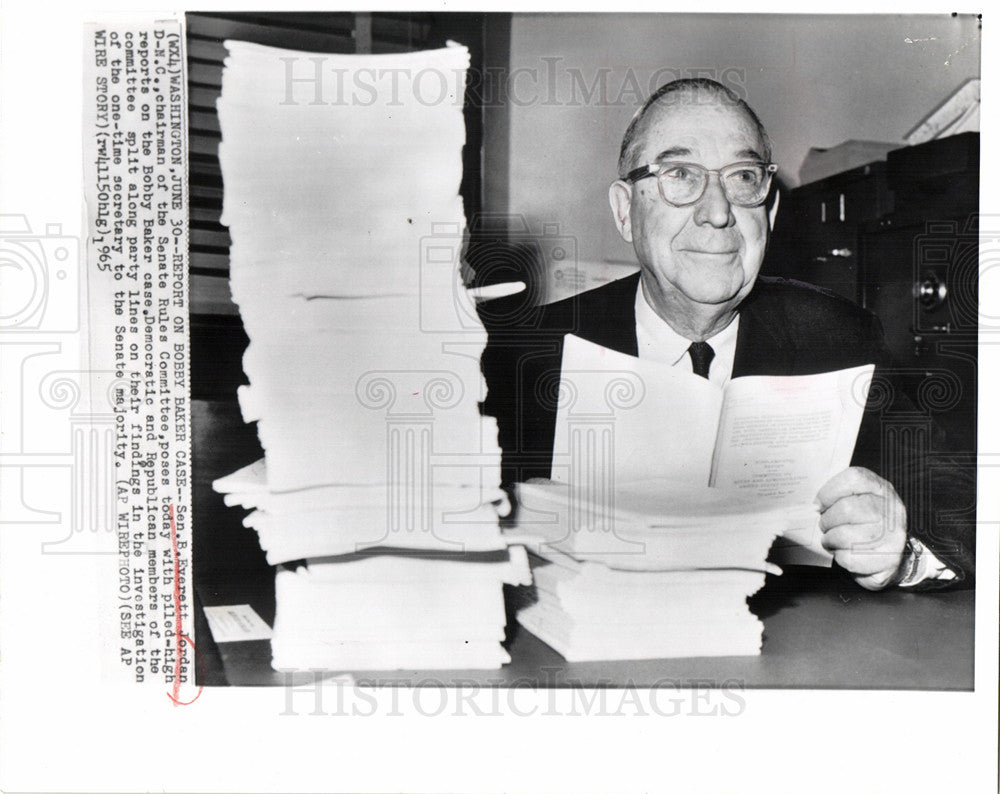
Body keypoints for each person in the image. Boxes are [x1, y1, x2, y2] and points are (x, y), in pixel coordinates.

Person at [479, 78, 974, 590]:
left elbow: (959, 502)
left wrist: (902, 552)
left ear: (770, 211)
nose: (717, 212)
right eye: (679, 174)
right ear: (626, 210)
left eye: (742, 178)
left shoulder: (839, 339)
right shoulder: (528, 355)